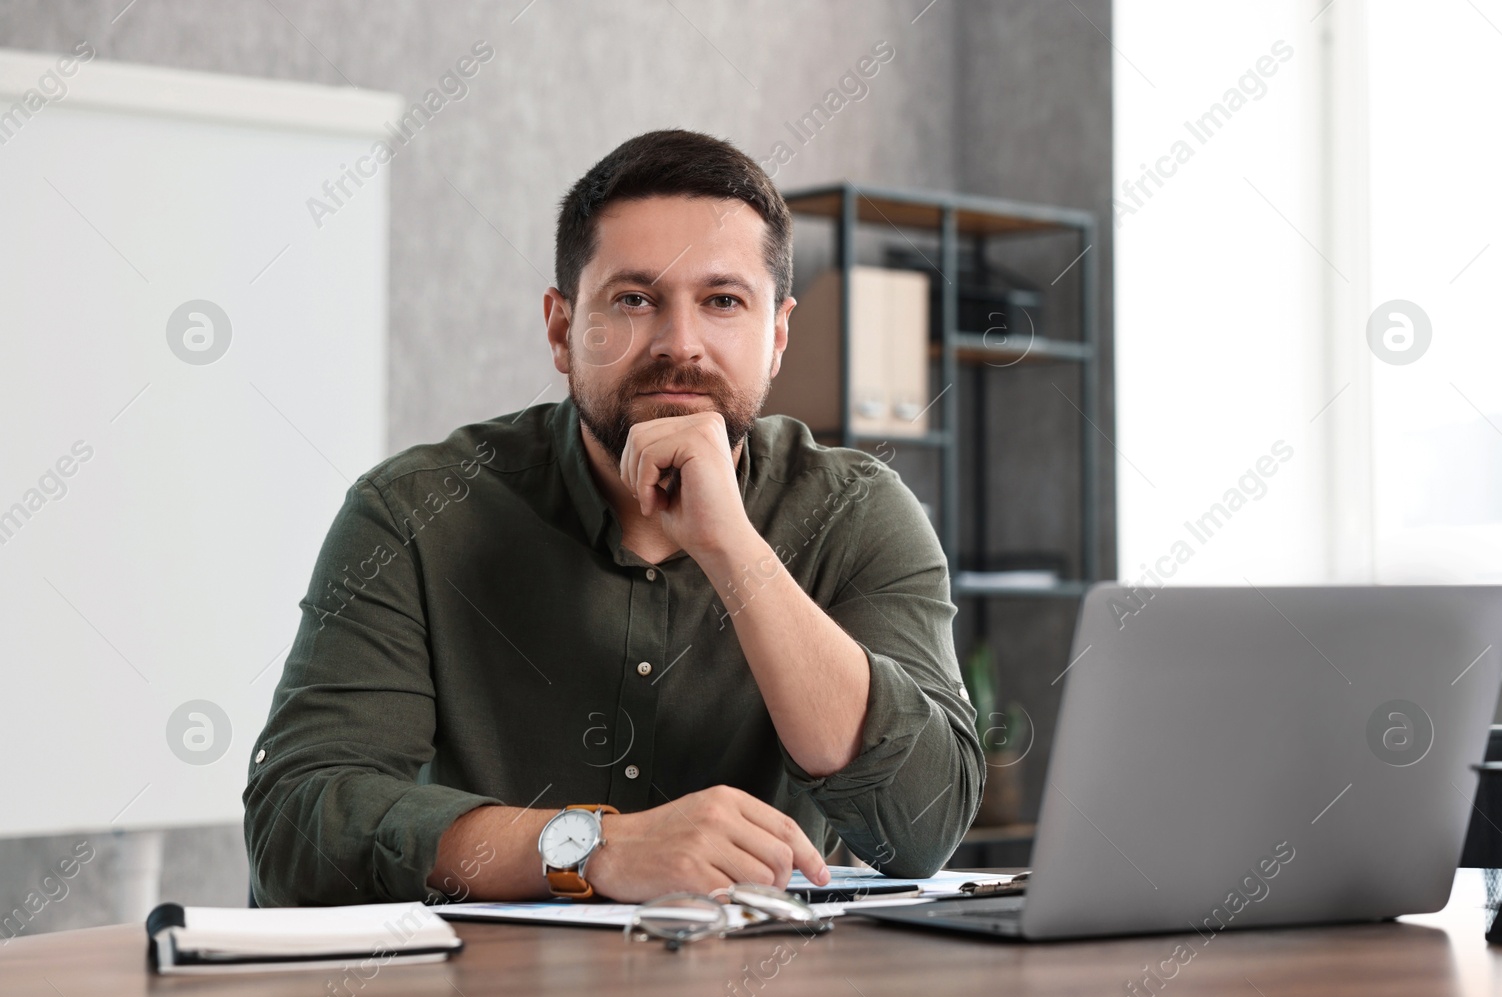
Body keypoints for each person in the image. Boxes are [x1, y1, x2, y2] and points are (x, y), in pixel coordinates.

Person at [243, 129, 984, 906]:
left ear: (778, 337)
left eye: (723, 301)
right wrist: (587, 848)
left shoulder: (857, 512)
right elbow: (297, 827)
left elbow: (921, 826)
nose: (680, 345)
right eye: (634, 299)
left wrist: (732, 547)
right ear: (563, 330)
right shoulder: (409, 513)